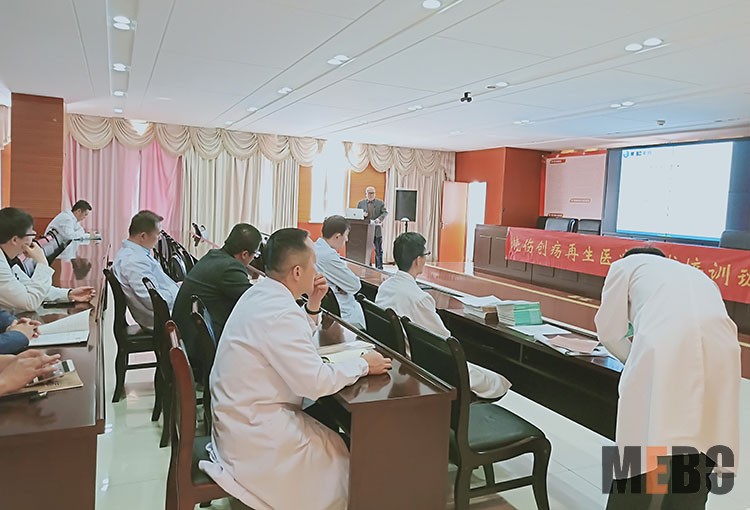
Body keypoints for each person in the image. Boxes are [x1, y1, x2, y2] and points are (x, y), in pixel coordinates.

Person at [201, 228, 391, 510]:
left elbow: (290, 338)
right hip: (256, 434)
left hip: (241, 416)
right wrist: (364, 364)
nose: (317, 270)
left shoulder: (262, 293)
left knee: (333, 441)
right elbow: (314, 382)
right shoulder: (279, 310)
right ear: (298, 272)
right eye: (314, 263)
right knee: (340, 462)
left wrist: (313, 305)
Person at [596, 247, 740, 509]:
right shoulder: (694, 274)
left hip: (665, 346)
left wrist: (634, 362)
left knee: (641, 449)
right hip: (722, 350)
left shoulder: (623, 266)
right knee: (700, 438)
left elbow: (609, 333)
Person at [376, 232, 511, 400]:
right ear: (418, 260)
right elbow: (444, 341)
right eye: (425, 255)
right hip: (426, 364)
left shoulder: (386, 286)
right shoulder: (420, 298)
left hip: (401, 356)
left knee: (486, 376)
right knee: (495, 381)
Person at [172, 223, 262, 367]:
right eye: (254, 255)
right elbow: (253, 302)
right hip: (198, 346)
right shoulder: (231, 268)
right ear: (245, 254)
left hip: (185, 336)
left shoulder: (214, 256)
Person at [0, 207, 95, 313]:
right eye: (31, 234)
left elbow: (28, 287)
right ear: (15, 240)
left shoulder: (8, 258)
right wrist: (42, 263)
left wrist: (68, 294)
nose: (33, 238)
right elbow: (30, 302)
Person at [112, 210, 179, 330]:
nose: (159, 239)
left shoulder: (136, 254)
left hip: (166, 310)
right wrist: (178, 293)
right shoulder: (134, 261)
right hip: (163, 319)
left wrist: (176, 287)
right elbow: (152, 300)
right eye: (157, 235)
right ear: (143, 236)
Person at [313, 215, 365, 328]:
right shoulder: (327, 255)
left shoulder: (315, 247)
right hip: (343, 314)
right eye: (346, 235)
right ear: (337, 236)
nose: (347, 239)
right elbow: (355, 285)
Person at [356, 186, 387, 269]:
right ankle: (367, 266)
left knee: (378, 250)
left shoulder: (380, 203)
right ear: (365, 194)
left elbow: (385, 213)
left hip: (376, 230)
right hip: (365, 231)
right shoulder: (360, 203)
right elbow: (357, 214)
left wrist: (379, 219)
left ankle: (379, 267)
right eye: (369, 193)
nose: (371, 195)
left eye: (372, 193)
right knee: (366, 250)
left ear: (375, 194)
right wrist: (362, 215)